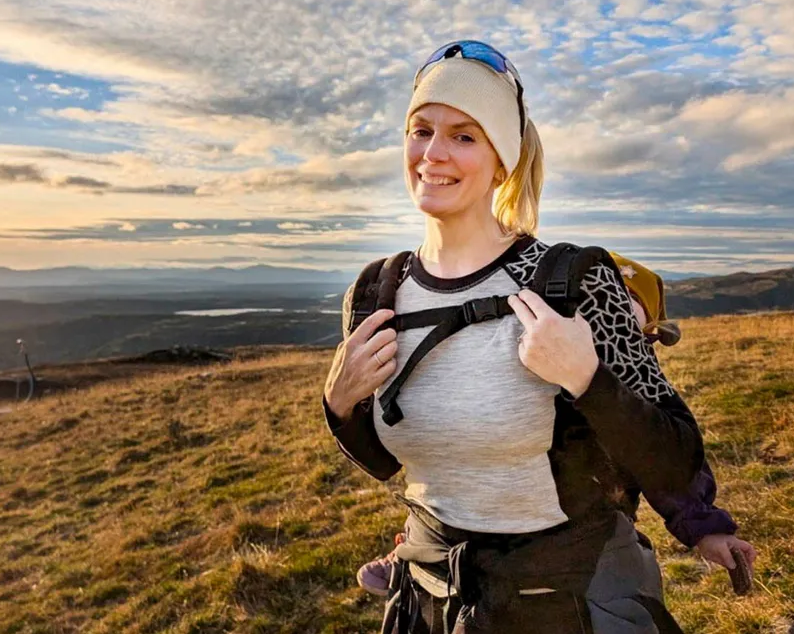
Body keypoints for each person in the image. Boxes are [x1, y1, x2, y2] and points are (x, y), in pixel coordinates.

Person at [322, 40, 709, 633]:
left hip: (566, 601)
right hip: (430, 601)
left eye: (464, 136)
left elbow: (676, 458)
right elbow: (387, 459)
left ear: (503, 160)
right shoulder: (377, 289)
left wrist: (585, 378)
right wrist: (339, 405)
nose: (433, 153)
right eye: (420, 129)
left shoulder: (574, 279)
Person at [354, 256, 757, 598]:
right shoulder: (528, 352)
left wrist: (707, 531)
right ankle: (414, 550)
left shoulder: (634, 390)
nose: (605, 314)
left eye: (627, 306)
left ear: (644, 334)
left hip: (583, 532)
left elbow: (669, 467)